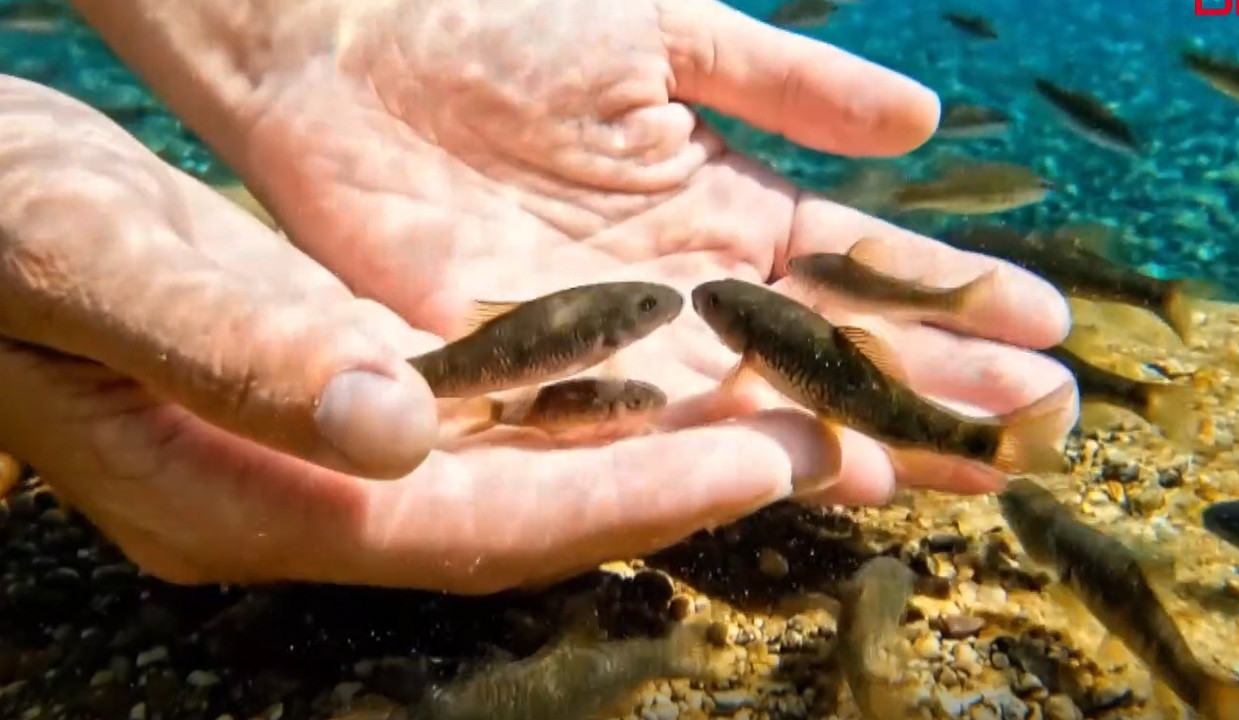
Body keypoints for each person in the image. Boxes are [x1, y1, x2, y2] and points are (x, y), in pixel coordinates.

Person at [0, 0, 1074, 594]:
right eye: (651, 316)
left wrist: (313, 27)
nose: (666, 317)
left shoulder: (680, 328)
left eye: (661, 314)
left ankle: (989, 445)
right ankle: (988, 443)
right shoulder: (620, 329)